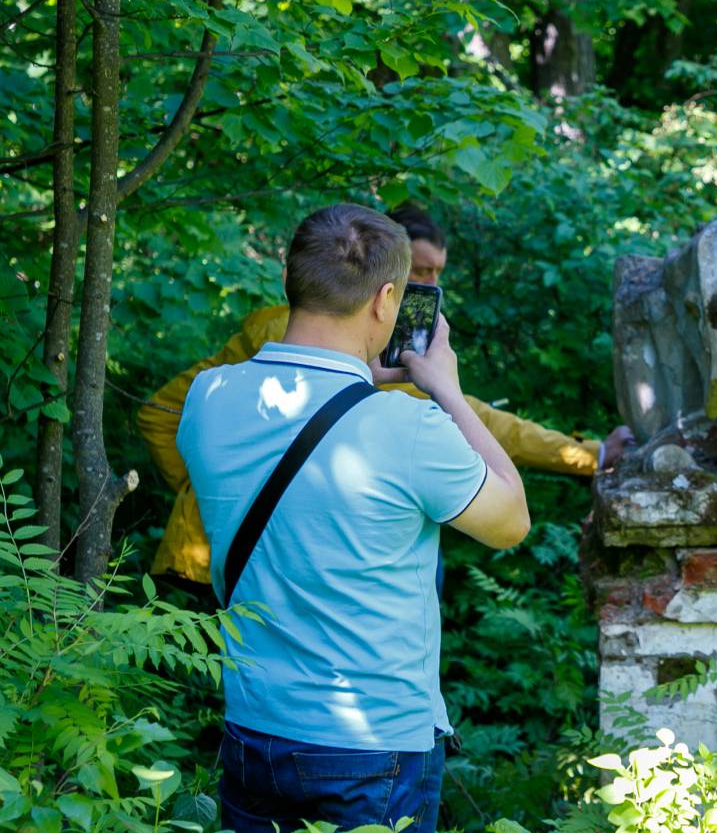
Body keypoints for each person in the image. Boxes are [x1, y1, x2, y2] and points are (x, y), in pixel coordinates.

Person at [177, 204, 530, 833]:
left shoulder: (206, 402)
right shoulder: (405, 430)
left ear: (292, 282)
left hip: (253, 732)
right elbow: (511, 518)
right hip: (374, 752)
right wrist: (447, 389)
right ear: (385, 301)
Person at [139, 206, 633, 589]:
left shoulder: (215, 391)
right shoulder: (390, 406)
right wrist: (205, 497)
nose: (428, 287)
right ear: (383, 290)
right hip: (253, 575)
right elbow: (509, 519)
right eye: (416, 272)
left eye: (437, 273)